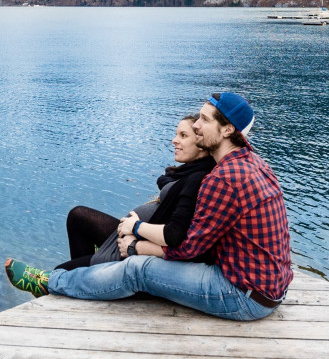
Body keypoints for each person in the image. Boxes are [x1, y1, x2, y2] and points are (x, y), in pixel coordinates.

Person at [5, 92, 292, 321]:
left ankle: (50, 282)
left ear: (228, 129)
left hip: (241, 295)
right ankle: (76, 283)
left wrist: (135, 245)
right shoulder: (252, 163)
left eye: (204, 120)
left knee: (137, 270)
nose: (195, 125)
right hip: (266, 287)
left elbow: (187, 247)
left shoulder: (224, 178)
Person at [53, 114, 216, 271]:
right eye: (176, 134)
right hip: (135, 235)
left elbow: (175, 234)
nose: (174, 140)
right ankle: (88, 277)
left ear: (202, 143)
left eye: (183, 135)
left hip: (136, 244)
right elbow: (167, 182)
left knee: (62, 271)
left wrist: (136, 228)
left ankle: (88, 275)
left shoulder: (197, 179)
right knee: (78, 217)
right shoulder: (188, 173)